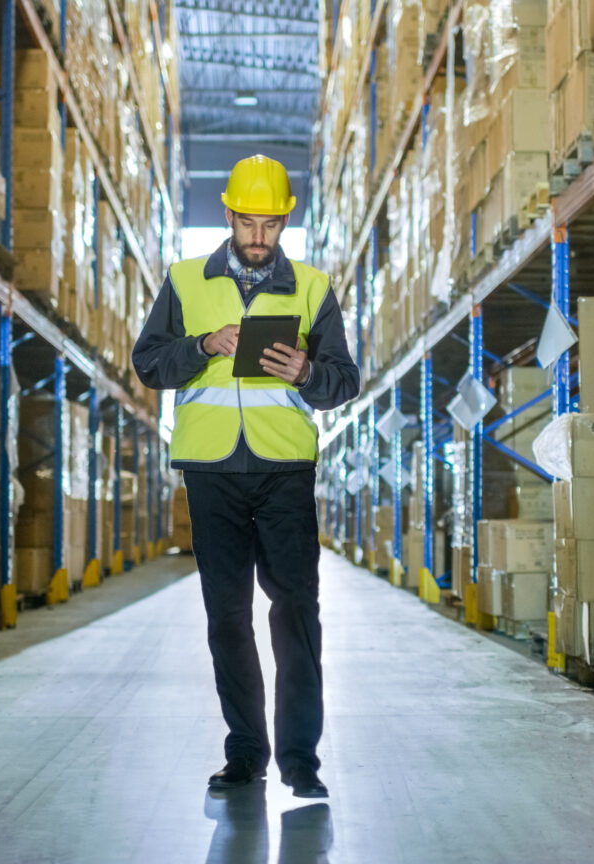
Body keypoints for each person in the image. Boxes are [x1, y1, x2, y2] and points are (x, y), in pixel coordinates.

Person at [131, 155, 360, 799]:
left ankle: (299, 760)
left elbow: (344, 379)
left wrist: (305, 375)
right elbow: (148, 364)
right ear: (227, 216)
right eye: (247, 222)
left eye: (270, 224)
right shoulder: (183, 282)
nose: (258, 236)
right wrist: (202, 346)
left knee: (295, 612)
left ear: (285, 221)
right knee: (226, 616)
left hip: (284, 470)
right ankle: (246, 753)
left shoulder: (312, 289)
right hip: (211, 472)